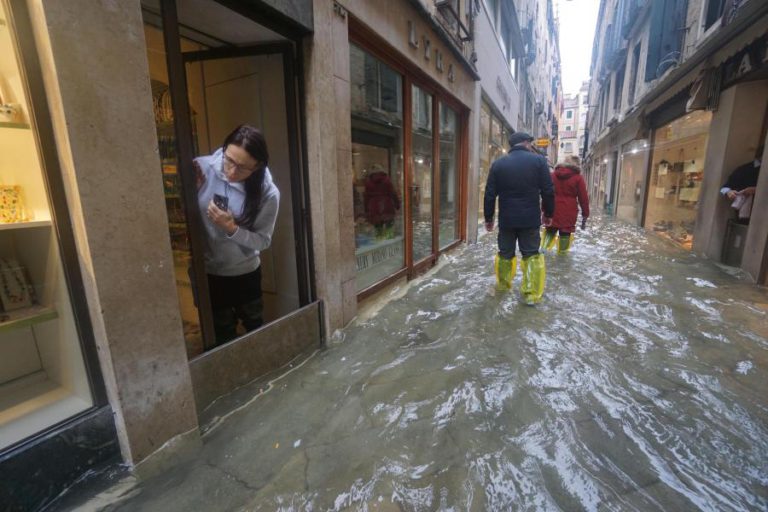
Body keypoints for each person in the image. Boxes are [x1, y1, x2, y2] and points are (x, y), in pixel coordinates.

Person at [193, 125, 280, 345]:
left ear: (258, 166)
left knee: (254, 330)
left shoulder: (268, 193)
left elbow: (263, 240)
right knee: (221, 335)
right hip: (208, 272)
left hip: (245, 272)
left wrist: (232, 229)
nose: (231, 171)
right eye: (229, 160)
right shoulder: (201, 168)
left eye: (242, 168)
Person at [484, 132, 554, 305]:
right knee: (531, 255)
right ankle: (531, 294)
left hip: (507, 219)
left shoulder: (498, 164)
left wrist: (488, 217)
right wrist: (549, 213)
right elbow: (548, 191)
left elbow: (489, 194)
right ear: (526, 143)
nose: (531, 146)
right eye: (530, 143)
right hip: (530, 219)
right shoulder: (539, 162)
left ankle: (503, 286)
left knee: (505, 254)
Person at [541, 155, 590, 254]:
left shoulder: (552, 175)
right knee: (565, 235)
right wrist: (585, 214)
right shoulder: (578, 178)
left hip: (552, 209)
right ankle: (562, 261)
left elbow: (546, 193)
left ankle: (544, 254)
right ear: (577, 165)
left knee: (550, 231)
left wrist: (544, 210)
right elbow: (583, 198)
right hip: (569, 212)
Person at [720, 145, 762, 222]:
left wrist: (757, 190)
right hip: (746, 214)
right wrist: (729, 192)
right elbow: (724, 188)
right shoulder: (745, 169)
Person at [364, 164, 400, 239]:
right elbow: (393, 193)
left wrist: (366, 210)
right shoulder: (387, 181)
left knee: (378, 229)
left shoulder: (368, 183)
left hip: (374, 208)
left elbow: (366, 197)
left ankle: (380, 241)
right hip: (387, 206)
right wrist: (397, 204)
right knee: (389, 228)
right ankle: (388, 241)